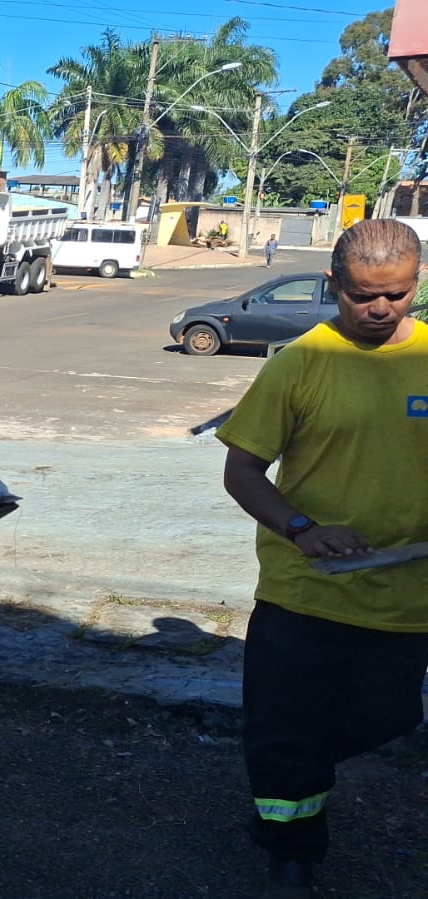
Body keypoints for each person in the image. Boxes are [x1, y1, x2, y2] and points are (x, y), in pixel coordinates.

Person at [216, 218, 428, 898]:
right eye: (363, 295)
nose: (379, 310)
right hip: (300, 593)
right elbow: (242, 470)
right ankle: (289, 849)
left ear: (415, 283)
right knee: (283, 737)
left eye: (395, 295)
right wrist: (300, 527)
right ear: (332, 284)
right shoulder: (297, 364)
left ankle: (299, 782)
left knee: (387, 718)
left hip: (405, 600)